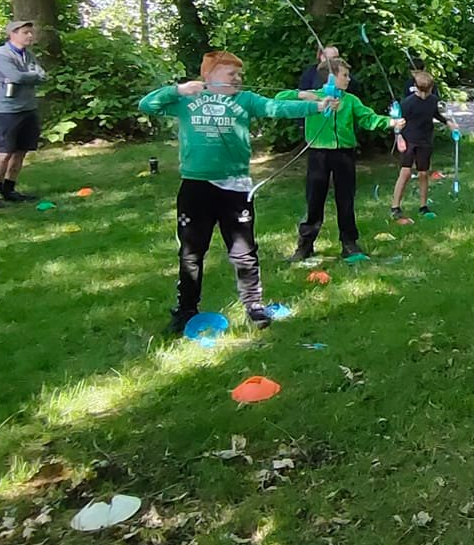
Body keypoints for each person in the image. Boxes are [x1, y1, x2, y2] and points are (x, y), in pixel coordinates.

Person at [138, 50, 334, 336]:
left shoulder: (246, 99)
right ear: (210, 75)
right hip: (196, 185)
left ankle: (254, 306)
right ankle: (186, 311)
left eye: (240, 75)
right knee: (191, 252)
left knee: (243, 252)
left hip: (235, 187)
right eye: (231, 74)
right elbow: (147, 105)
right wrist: (177, 89)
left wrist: (317, 107)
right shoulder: (187, 98)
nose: (238, 79)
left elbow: (276, 108)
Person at [291, 59, 392, 262]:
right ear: (330, 77)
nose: (348, 78)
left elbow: (368, 118)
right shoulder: (314, 98)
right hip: (318, 154)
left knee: (345, 200)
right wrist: (304, 95)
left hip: (344, 155)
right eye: (344, 75)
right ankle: (305, 246)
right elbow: (280, 98)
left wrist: (390, 122)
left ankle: (349, 244)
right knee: (314, 200)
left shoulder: (351, 100)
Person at [0, 18, 48, 206]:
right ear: (12, 34)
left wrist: (28, 77)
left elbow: (43, 76)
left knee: (21, 152)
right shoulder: (1, 54)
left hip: (29, 108)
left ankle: (10, 188)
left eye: (31, 32)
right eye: (25, 32)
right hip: (8, 110)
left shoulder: (28, 55)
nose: (30, 35)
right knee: (5, 152)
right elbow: (15, 76)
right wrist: (32, 76)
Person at [389, 68, 448, 223]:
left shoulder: (433, 100)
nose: (423, 95)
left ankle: (423, 205)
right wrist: (398, 136)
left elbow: (437, 114)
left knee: (423, 174)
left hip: (425, 140)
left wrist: (449, 123)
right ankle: (395, 206)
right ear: (415, 87)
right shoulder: (407, 103)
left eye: (426, 92)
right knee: (406, 173)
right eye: (421, 91)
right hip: (409, 140)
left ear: (430, 89)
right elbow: (398, 122)